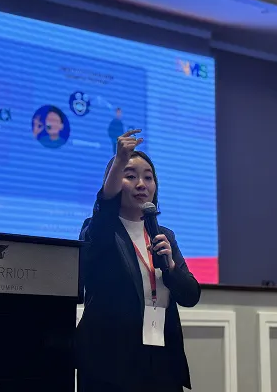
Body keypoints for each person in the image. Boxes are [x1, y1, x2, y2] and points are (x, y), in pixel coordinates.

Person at [76, 129, 201, 392]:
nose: (141, 184)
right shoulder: (99, 230)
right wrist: (119, 160)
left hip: (161, 359)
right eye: (130, 176)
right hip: (110, 362)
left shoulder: (164, 235)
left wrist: (170, 267)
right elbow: (103, 207)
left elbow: (190, 295)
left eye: (148, 177)